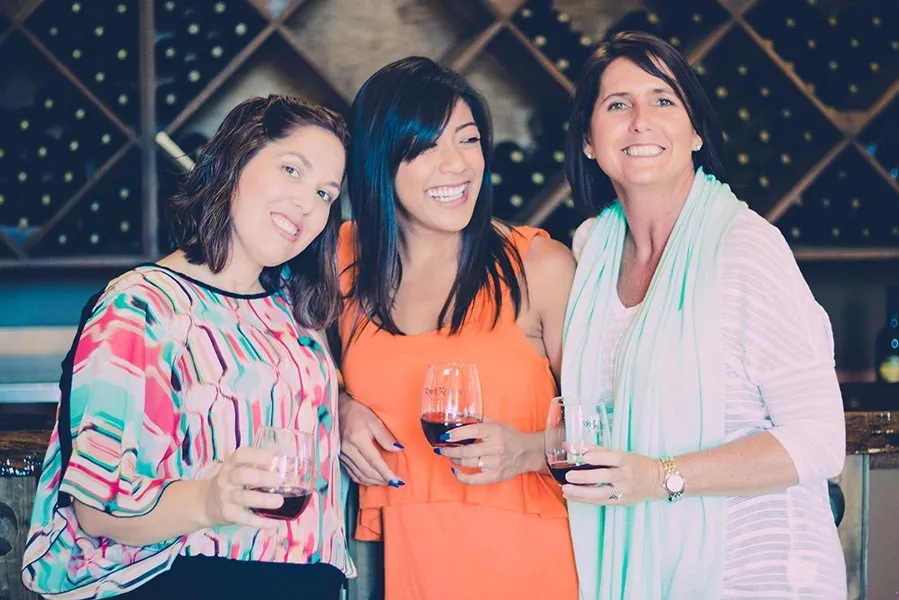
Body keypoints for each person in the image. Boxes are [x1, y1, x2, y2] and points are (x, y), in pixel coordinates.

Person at [21, 95, 355, 599]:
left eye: (326, 193)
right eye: (291, 169)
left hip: (308, 583)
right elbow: (95, 510)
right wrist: (208, 502)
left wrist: (348, 407)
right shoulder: (144, 305)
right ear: (235, 161)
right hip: (195, 584)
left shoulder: (295, 308)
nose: (308, 204)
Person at [560, 31, 846, 599]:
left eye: (663, 100)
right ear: (589, 141)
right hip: (651, 575)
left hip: (760, 574)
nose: (641, 120)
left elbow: (819, 440)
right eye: (618, 104)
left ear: (694, 132)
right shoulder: (592, 249)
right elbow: (599, 419)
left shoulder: (745, 248)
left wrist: (659, 477)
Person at [335, 56, 578, 599]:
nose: (457, 165)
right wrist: (340, 405)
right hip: (391, 561)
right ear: (379, 162)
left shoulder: (537, 267)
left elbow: (620, 426)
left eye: (467, 140)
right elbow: (281, 368)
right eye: (425, 148)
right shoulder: (342, 261)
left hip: (529, 561)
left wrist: (530, 449)